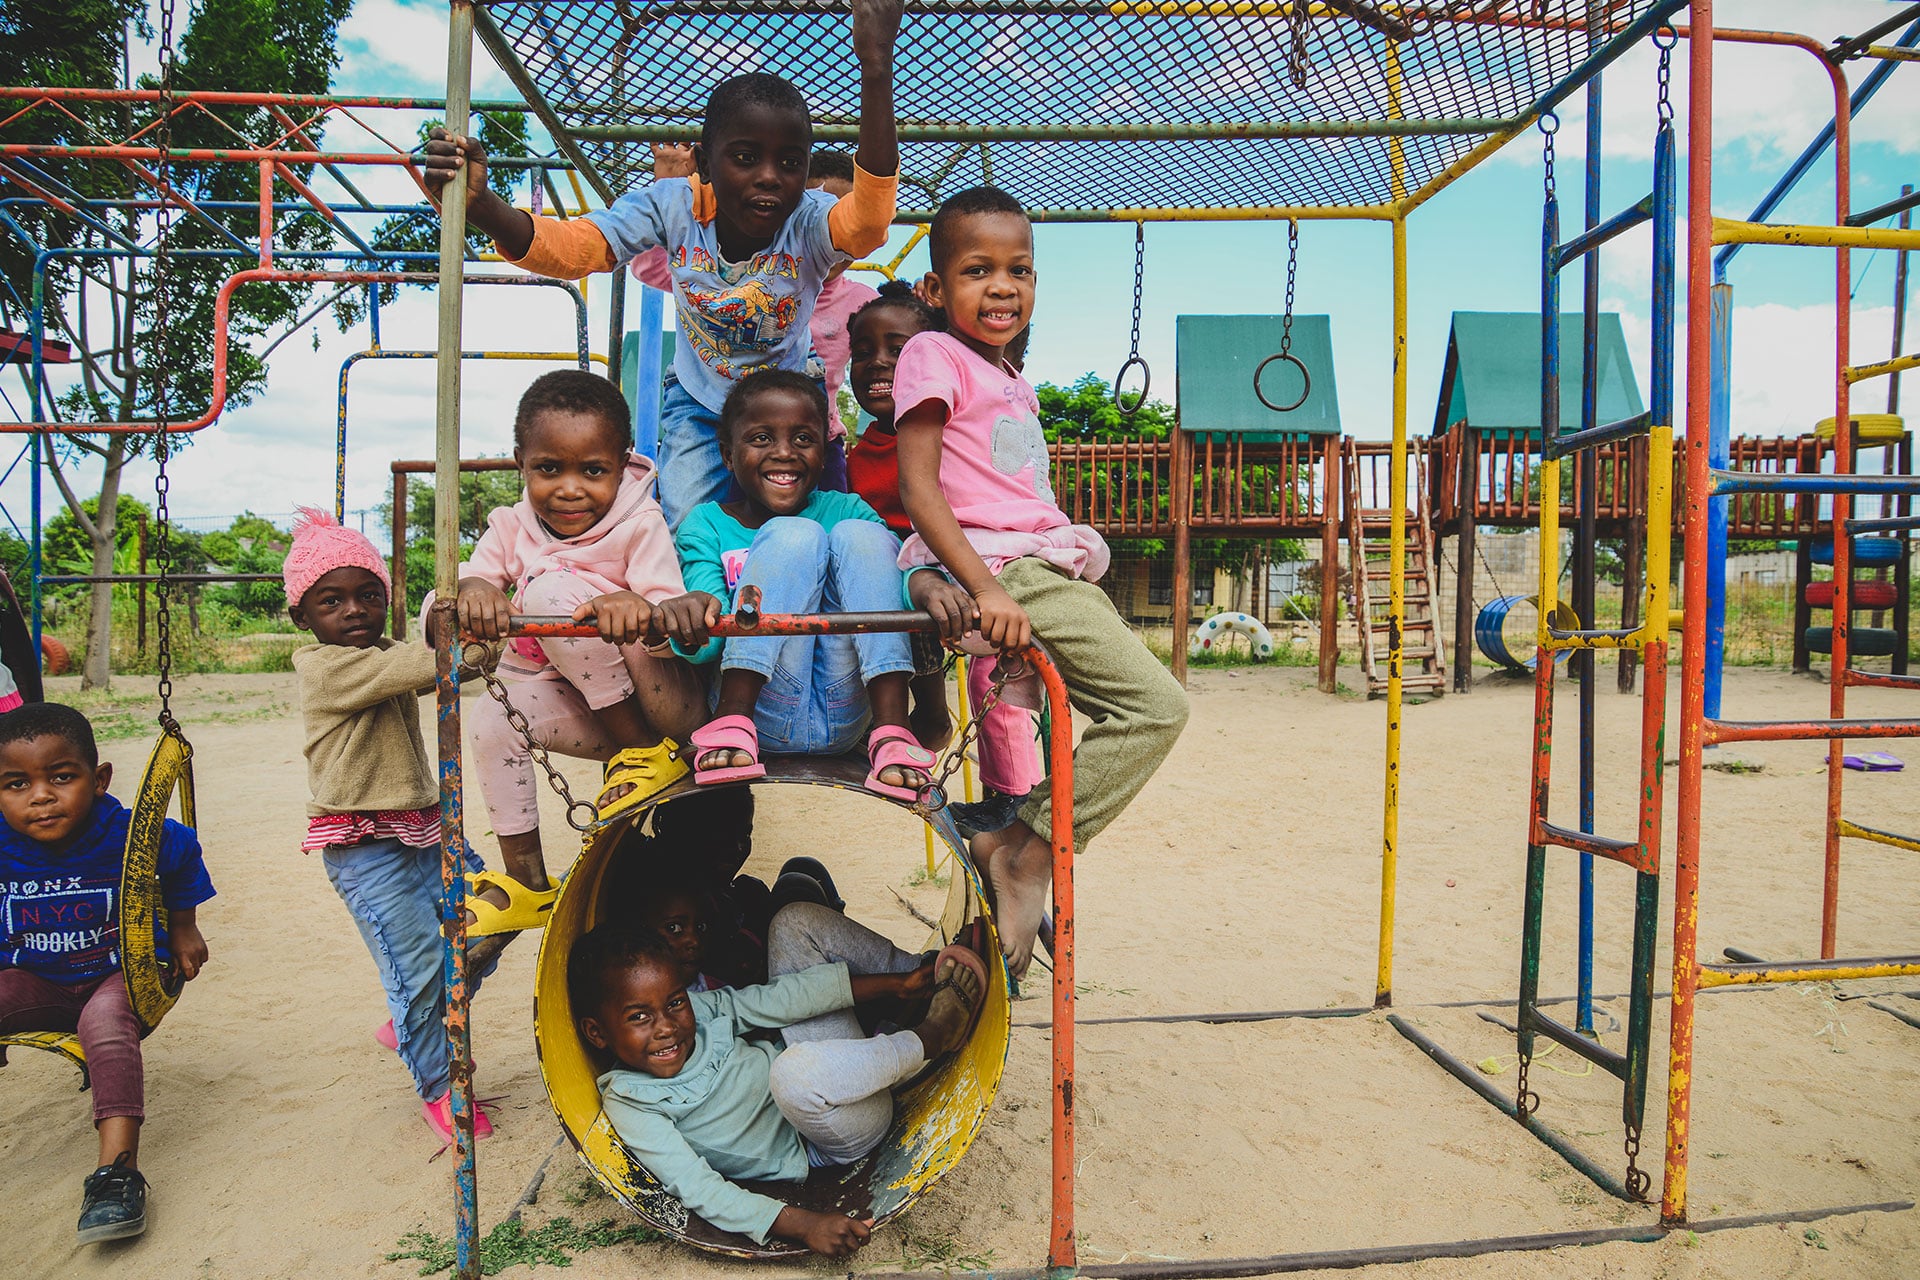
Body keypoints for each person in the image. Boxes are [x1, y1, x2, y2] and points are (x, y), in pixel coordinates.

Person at [422, 0, 904, 529]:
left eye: (790, 164)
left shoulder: (809, 221)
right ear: (704, 161)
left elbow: (868, 224)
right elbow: (578, 248)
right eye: (745, 158)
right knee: (685, 521)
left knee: (823, 525)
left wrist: (876, 71)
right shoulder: (671, 206)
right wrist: (484, 208)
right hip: (701, 402)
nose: (769, 176)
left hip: (786, 403)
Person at [892, 187, 1190, 978]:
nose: (1002, 286)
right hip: (999, 568)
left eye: (1019, 270)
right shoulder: (933, 355)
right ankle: (1029, 855)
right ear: (934, 289)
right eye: (976, 269)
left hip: (1030, 565)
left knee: (1116, 712)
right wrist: (985, 589)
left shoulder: (1009, 375)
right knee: (1158, 707)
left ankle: (1014, 839)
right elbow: (919, 491)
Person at [450, 371, 706, 936]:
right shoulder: (510, 525)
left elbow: (671, 621)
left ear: (621, 463)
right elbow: (468, 583)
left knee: (548, 590)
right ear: (522, 463)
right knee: (493, 719)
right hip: (591, 714)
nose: (569, 489)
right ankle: (529, 882)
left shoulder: (640, 523)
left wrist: (636, 605)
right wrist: (476, 592)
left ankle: (644, 754)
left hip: (658, 711)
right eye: (549, 469)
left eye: (593, 471)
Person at [571, 910, 984, 1256]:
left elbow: (775, 1000)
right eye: (639, 1017)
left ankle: (922, 976)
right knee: (791, 1072)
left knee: (792, 922)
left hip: (828, 1069)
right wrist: (803, 1225)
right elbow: (697, 1187)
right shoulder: (630, 1099)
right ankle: (931, 1036)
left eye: (674, 1002)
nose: (666, 1027)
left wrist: (896, 984)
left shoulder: (698, 1009)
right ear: (597, 1033)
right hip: (830, 1133)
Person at [655, 370, 972, 798]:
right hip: (762, 708)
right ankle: (732, 719)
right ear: (728, 455)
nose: (784, 453)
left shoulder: (847, 509)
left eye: (803, 439)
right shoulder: (707, 525)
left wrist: (926, 582)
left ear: (824, 455)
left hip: (848, 710)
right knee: (794, 534)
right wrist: (691, 612)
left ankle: (893, 729)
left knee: (862, 537)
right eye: (761, 439)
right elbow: (709, 639)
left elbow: (891, 581)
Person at [285, 509, 497, 1145]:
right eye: (333, 600)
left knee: (493, 918)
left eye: (369, 595)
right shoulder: (327, 666)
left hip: (425, 827)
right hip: (364, 845)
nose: (354, 610)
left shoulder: (386, 654)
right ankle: (439, 1084)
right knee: (418, 969)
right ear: (303, 615)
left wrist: (474, 633)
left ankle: (410, 1014)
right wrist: (473, 624)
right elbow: (449, 662)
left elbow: (462, 666)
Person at [0, 702, 213, 1244]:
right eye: (16, 784)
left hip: (124, 974)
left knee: (106, 1025)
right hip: (39, 978)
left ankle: (117, 1174)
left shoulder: (127, 832)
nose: (41, 796)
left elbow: (184, 851)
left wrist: (184, 927)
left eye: (61, 777)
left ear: (98, 780)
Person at [846, 281, 1046, 803]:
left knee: (945, 605)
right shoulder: (854, 452)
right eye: (862, 353)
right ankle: (901, 716)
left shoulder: (954, 430)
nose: (879, 364)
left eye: (900, 350)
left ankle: (943, 721)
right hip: (887, 575)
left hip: (953, 568)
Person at [635, 145, 879, 493]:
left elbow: (897, 337)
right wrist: (669, 196)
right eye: (819, 223)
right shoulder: (731, 278)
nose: (833, 237)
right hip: (722, 420)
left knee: (826, 519)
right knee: (692, 506)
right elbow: (647, 266)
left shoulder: (860, 300)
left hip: (808, 435)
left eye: (846, 224)